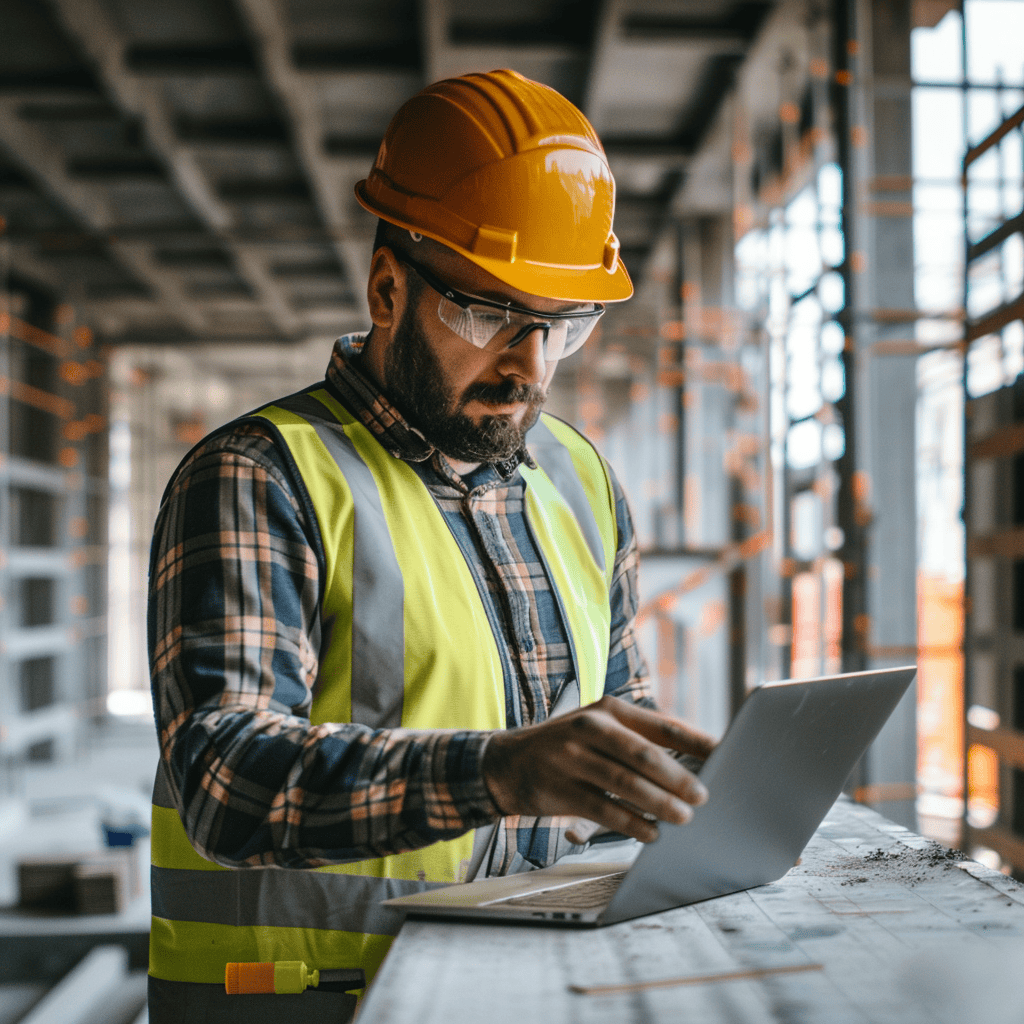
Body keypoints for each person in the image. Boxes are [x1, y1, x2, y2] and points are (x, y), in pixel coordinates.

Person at [146, 68, 716, 1024]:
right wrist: (497, 772)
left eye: (562, 327)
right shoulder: (259, 476)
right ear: (386, 288)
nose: (529, 368)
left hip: (519, 994)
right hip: (302, 1006)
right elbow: (225, 781)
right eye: (490, 316)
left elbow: (612, 742)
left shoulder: (579, 480)